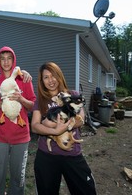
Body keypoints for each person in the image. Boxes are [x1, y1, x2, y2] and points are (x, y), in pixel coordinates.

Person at [31, 62, 97, 195]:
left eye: (53, 75)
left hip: (72, 154)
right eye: (46, 77)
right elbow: (35, 126)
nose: (51, 80)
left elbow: (81, 119)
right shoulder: (40, 101)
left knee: (86, 190)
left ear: (59, 76)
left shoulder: (73, 94)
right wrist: (55, 131)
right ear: (42, 81)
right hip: (47, 157)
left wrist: (54, 125)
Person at [0, 46, 36, 195]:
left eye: (9, 58)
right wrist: (1, 103)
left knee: (18, 178)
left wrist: (20, 98)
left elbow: (32, 105)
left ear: (14, 60)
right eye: (3, 58)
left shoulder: (24, 79)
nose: (6, 62)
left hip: (21, 137)